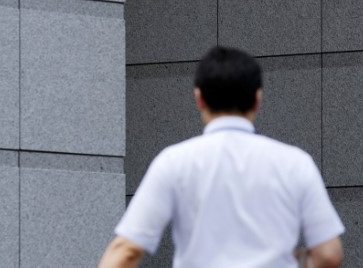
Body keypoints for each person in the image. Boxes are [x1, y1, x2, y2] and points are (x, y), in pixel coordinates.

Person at [99, 46, 344, 268]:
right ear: (257, 99)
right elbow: (329, 254)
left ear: (199, 99)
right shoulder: (295, 163)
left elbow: (127, 251)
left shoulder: (174, 162)